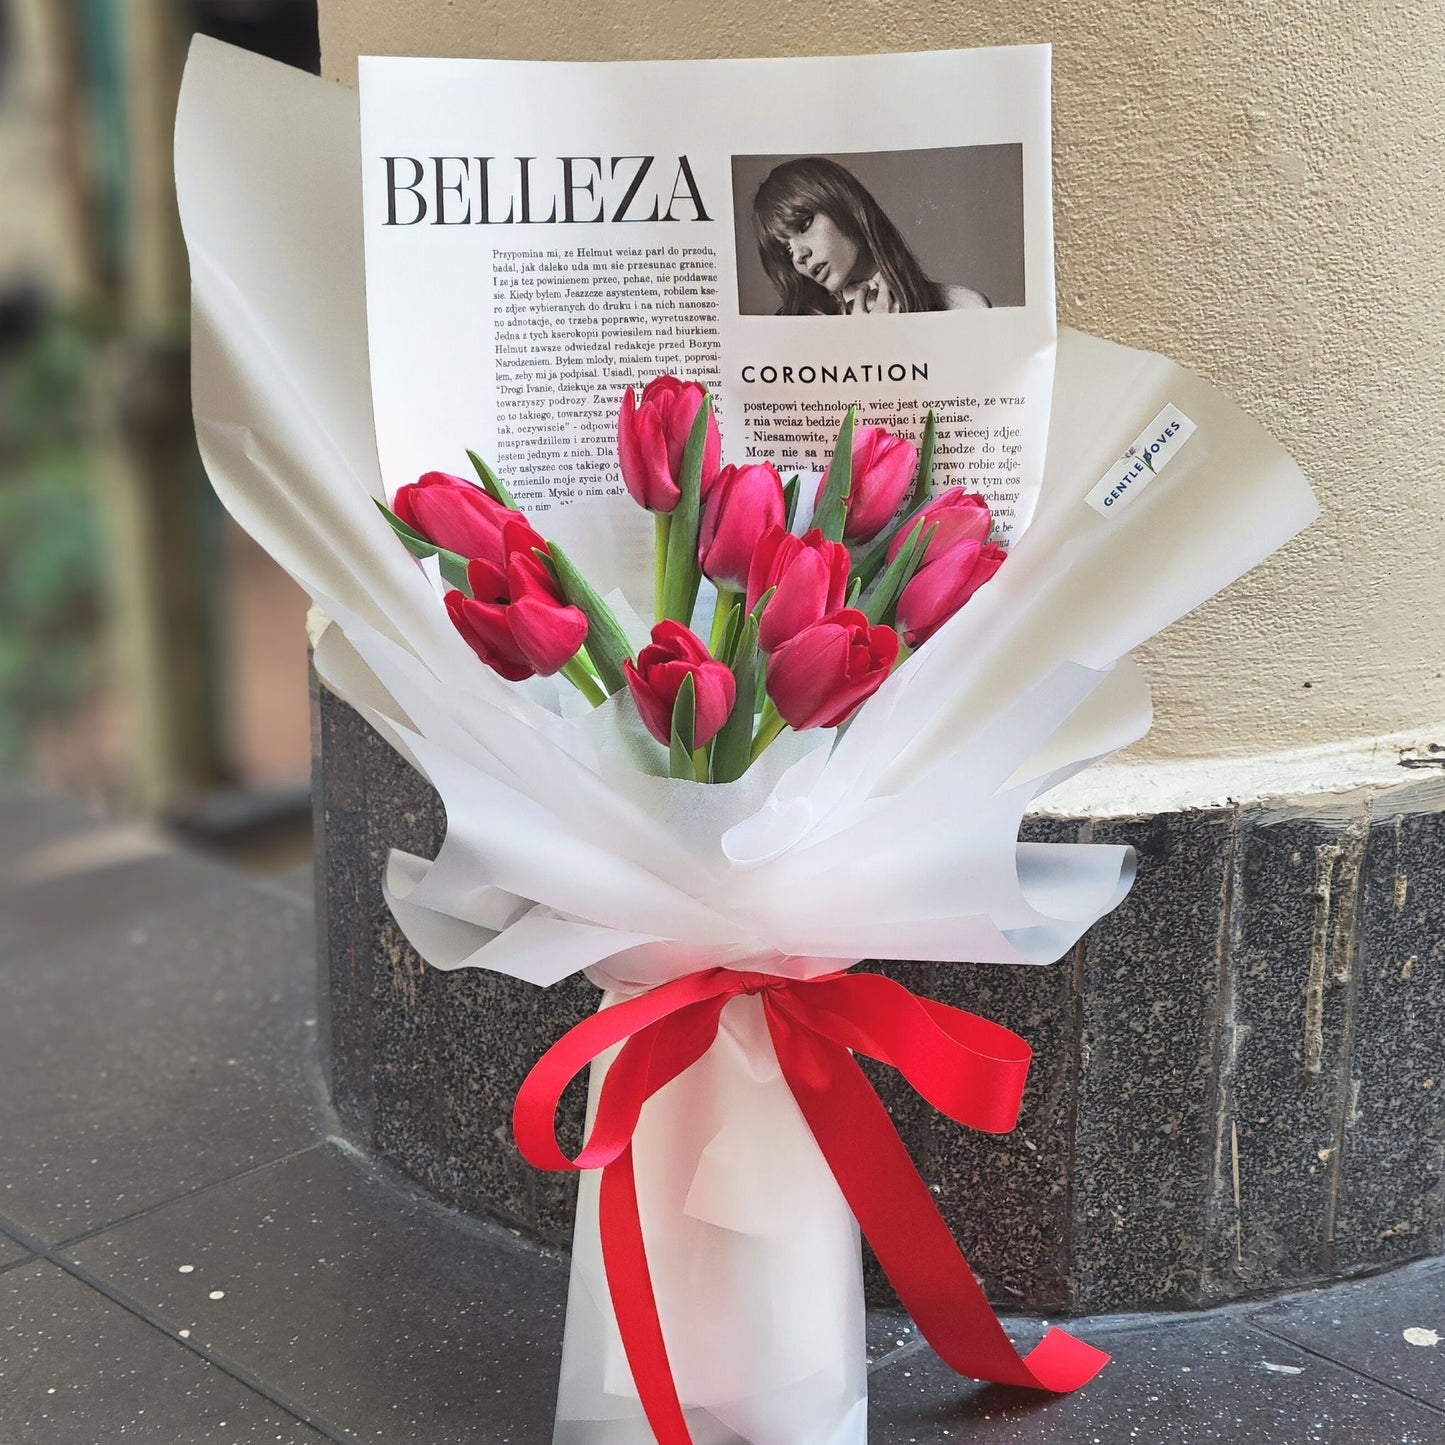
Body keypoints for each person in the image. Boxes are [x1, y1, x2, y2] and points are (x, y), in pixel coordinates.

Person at [751, 156, 990, 316]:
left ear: (844, 204)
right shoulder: (792, 331)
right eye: (787, 250)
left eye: (804, 225)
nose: (799, 257)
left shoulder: (965, 307)